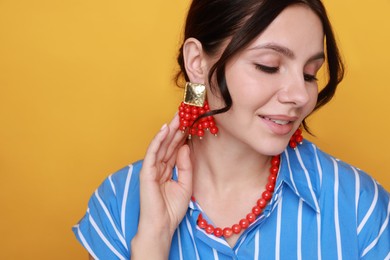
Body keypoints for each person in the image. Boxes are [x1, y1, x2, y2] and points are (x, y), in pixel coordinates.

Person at [73, 0, 390, 259]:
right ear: (197, 63)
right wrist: (153, 243)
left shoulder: (360, 207)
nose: (300, 95)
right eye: (268, 65)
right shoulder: (119, 204)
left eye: (310, 73)